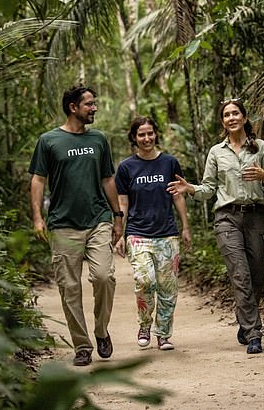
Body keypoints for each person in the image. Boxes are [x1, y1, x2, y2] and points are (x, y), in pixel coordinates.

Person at [167, 98, 264, 354]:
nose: (231, 118)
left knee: (256, 274)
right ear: (223, 121)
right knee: (240, 274)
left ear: (244, 117)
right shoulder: (217, 152)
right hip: (227, 218)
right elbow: (208, 189)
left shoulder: (261, 148)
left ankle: (245, 320)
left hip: (256, 217)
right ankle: (254, 333)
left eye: (235, 113)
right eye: (226, 115)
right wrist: (190, 188)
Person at [28, 85, 123, 366]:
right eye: (89, 104)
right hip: (63, 224)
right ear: (73, 107)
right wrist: (37, 216)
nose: (94, 108)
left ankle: (101, 330)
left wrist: (118, 215)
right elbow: (38, 180)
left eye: (94, 104)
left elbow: (108, 179)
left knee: (104, 277)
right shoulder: (49, 141)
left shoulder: (99, 139)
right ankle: (82, 345)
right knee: (69, 287)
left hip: (98, 219)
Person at [114, 116, 191, 351]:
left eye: (150, 133)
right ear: (134, 138)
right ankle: (145, 325)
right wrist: (119, 232)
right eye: (141, 135)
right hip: (137, 233)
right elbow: (123, 202)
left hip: (167, 233)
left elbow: (177, 195)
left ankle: (164, 334)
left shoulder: (169, 163)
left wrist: (185, 226)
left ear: (155, 134)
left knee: (168, 288)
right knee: (145, 281)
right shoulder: (126, 167)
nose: (146, 138)